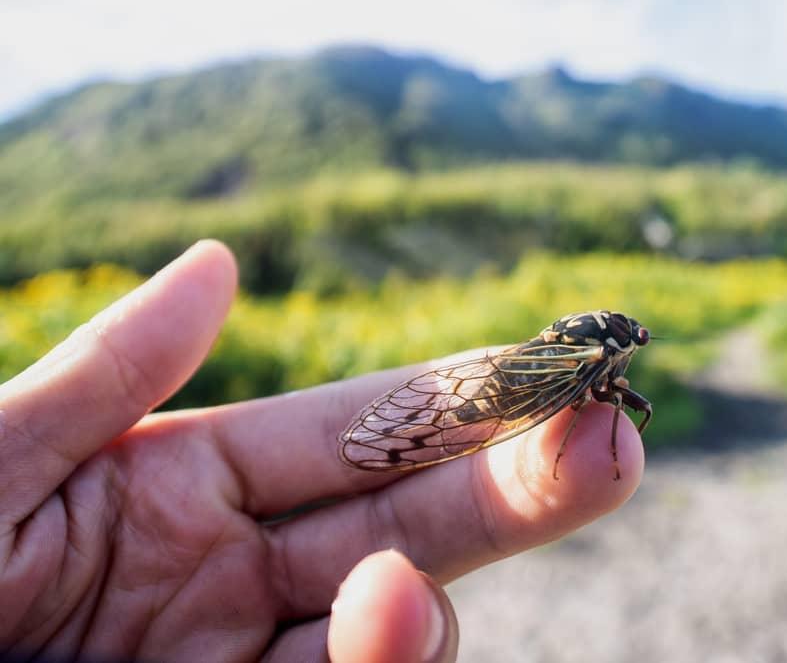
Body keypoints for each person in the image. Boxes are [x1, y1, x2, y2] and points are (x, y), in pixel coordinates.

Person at [0, 241, 644, 663]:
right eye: (632, 342)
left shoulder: (593, 348)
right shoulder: (596, 357)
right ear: (618, 346)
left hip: (519, 377)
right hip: (523, 387)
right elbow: (580, 399)